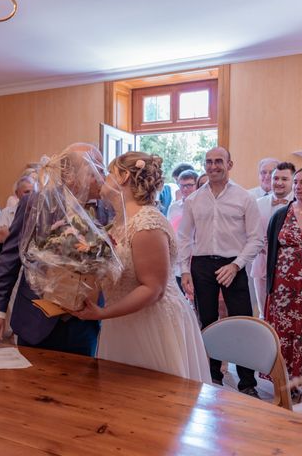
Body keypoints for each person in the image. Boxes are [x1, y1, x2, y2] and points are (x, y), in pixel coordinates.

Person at [70, 152, 211, 383]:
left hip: (151, 324)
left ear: (124, 176)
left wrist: (103, 313)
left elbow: (154, 289)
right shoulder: (117, 223)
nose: (103, 179)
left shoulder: (147, 223)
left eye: (109, 173)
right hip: (122, 320)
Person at [0, 143, 111, 356]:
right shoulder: (35, 202)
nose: (103, 176)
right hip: (36, 320)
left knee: (83, 386)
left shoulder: (107, 207)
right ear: (70, 175)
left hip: (85, 320)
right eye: (95, 169)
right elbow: (10, 258)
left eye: (102, 168)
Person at [178, 147, 263, 397]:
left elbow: (256, 238)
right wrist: (185, 271)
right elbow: (183, 238)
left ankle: (247, 382)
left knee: (242, 321)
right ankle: (213, 375)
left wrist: (236, 265)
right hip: (202, 265)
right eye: (208, 162)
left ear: (230, 164)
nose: (213, 166)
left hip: (233, 264)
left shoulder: (245, 198)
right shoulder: (194, 199)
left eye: (218, 161)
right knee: (208, 321)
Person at [266, 167, 302, 388]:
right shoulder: (281, 214)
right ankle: (284, 382)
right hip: (283, 284)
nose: (298, 187)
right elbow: (271, 248)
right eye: (297, 182)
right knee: (284, 330)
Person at [250, 162, 295, 315]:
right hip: (262, 264)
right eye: (276, 178)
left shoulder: (301, 204)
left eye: (284, 179)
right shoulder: (257, 204)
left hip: (290, 267)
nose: (279, 182)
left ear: (293, 180)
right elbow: (249, 232)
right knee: (264, 313)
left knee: (288, 313)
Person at [166, 169, 198, 291]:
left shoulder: (201, 206)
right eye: (182, 185)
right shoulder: (174, 207)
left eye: (189, 185)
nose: (185, 189)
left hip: (195, 255)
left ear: (196, 185)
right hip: (177, 255)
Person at [0, 175, 36, 244]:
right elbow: (0, 238)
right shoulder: (6, 212)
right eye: (27, 192)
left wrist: (11, 233)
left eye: (33, 192)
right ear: (17, 193)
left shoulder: (41, 212)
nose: (31, 195)